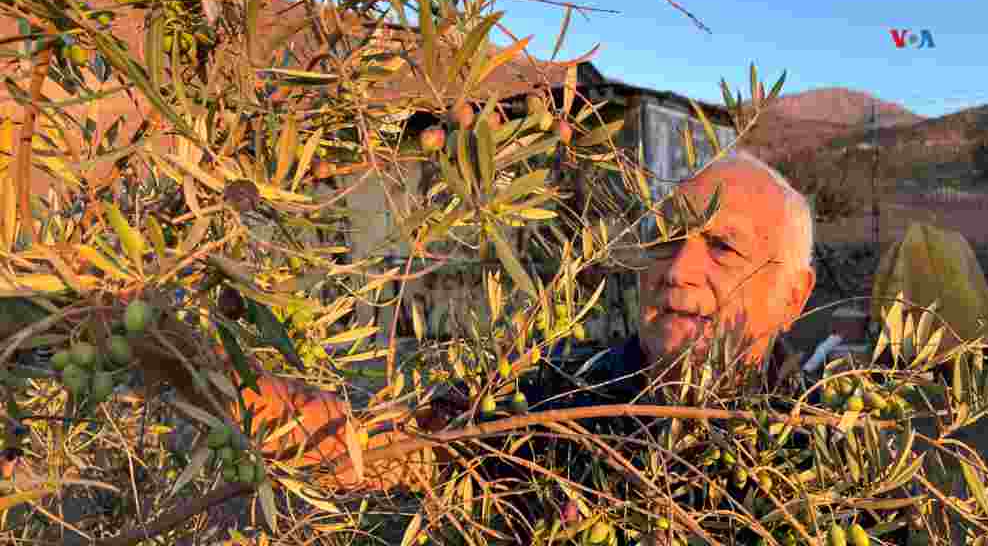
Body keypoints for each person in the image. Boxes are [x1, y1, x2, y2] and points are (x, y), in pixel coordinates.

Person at [220, 150, 818, 497]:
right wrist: (215, 378)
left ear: (794, 295)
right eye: (662, 241)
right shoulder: (559, 392)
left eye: (723, 248)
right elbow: (390, 446)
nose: (677, 268)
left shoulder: (834, 452)